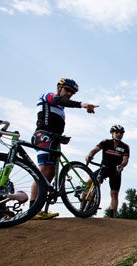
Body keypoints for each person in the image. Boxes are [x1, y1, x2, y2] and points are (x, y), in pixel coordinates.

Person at [30, 78, 98, 219]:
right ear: (58, 87)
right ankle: (32, 209)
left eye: (72, 92)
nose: (69, 94)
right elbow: (59, 101)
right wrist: (82, 105)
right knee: (44, 171)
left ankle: (38, 208)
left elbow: (55, 122)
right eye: (67, 90)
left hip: (54, 139)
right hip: (43, 136)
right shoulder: (47, 96)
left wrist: (61, 138)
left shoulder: (61, 109)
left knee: (50, 173)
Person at [85, 124, 130, 218]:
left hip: (116, 171)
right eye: (117, 132)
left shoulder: (125, 146)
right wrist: (90, 155)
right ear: (112, 133)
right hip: (104, 168)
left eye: (121, 133)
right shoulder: (106, 142)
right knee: (89, 182)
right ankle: (84, 203)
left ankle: (113, 216)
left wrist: (122, 165)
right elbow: (95, 149)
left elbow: (125, 159)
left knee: (114, 193)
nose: (119, 134)